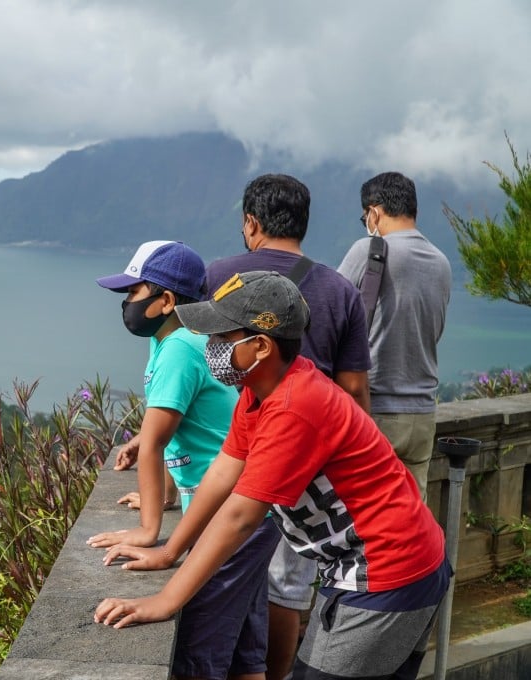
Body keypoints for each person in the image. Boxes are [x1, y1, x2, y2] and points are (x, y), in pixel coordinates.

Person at [94, 271, 449, 680]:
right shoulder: (260, 389)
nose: (210, 347)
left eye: (221, 337)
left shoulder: (294, 406)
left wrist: (166, 601)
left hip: (387, 573)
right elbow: (224, 473)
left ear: (260, 345)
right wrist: (169, 552)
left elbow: (241, 516)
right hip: (387, 566)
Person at [87, 241, 279, 680]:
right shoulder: (178, 341)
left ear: (166, 301)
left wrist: (149, 531)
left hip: (227, 516)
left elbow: (156, 443)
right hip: (245, 510)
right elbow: (182, 434)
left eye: (133, 293)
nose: (126, 304)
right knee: (247, 655)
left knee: (200, 651)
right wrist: (166, 489)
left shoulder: (177, 349)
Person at [208, 173, 372, 680]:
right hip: (310, 474)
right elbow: (354, 391)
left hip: (230, 452)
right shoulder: (339, 288)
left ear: (251, 222)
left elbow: (193, 367)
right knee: (286, 587)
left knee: (223, 573)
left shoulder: (220, 277)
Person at [337, 172, 451, 501]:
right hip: (423, 414)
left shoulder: (369, 250)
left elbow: (331, 311)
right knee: (412, 523)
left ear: (374, 213)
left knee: (366, 521)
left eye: (365, 217)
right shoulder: (442, 262)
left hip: (375, 410)